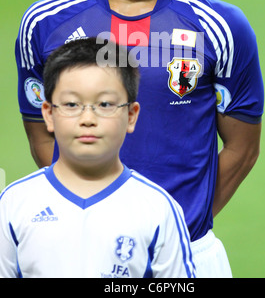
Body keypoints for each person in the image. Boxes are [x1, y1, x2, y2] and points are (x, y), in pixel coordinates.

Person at [15, 0, 264, 277]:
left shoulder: (222, 26)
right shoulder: (44, 25)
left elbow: (242, 148)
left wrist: (184, 222)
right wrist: (94, 215)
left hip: (190, 255)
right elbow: (45, 136)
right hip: (82, 251)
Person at [1, 38, 195, 278]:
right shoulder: (13, 204)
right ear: (49, 114)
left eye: (104, 104)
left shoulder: (158, 209)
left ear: (131, 115)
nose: (88, 119)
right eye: (72, 104)